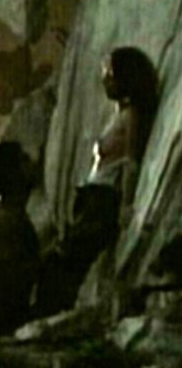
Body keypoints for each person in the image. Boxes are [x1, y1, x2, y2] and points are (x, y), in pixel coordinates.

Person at [34, 46, 159, 317]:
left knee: (63, 261)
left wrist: (126, 205)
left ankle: (51, 315)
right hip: (92, 198)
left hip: (102, 201)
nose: (105, 79)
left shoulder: (131, 117)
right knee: (63, 260)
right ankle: (53, 314)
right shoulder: (119, 115)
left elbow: (131, 162)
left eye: (110, 74)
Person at [0, 142, 40, 336]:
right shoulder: (8, 222)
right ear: (13, 173)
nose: (32, 163)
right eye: (24, 160)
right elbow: (12, 286)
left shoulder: (7, 215)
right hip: (3, 327)